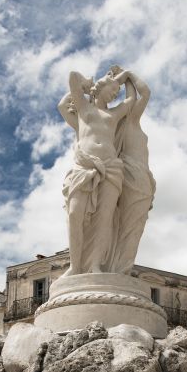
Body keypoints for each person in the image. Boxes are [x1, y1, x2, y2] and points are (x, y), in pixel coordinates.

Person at [58, 70, 135, 275]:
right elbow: (72, 77)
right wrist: (93, 83)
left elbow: (131, 100)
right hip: (84, 166)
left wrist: (126, 77)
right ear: (101, 86)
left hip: (111, 167)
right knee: (75, 214)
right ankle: (75, 266)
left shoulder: (113, 114)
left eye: (117, 92)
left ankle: (94, 264)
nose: (115, 94)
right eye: (113, 90)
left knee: (104, 218)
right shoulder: (84, 109)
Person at [106, 66, 156, 274]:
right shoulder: (128, 123)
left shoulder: (120, 125)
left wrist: (125, 80)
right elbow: (144, 93)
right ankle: (119, 270)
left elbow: (135, 96)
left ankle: (118, 269)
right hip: (134, 176)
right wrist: (127, 76)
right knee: (129, 228)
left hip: (138, 177)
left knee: (127, 228)